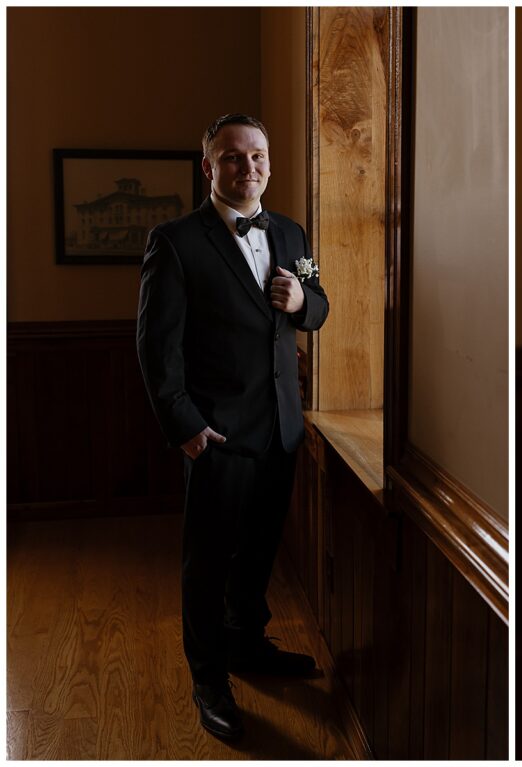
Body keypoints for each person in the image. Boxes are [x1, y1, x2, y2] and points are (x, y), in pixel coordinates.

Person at [137, 113, 330, 740]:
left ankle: (248, 645)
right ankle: (208, 678)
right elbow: (155, 348)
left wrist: (302, 303)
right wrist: (186, 427)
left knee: (259, 556)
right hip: (216, 437)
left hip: (281, 431)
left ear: (269, 162)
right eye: (232, 157)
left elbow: (319, 305)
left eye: (258, 156)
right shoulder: (177, 242)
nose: (248, 167)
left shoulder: (294, 235)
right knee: (208, 563)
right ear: (209, 167)